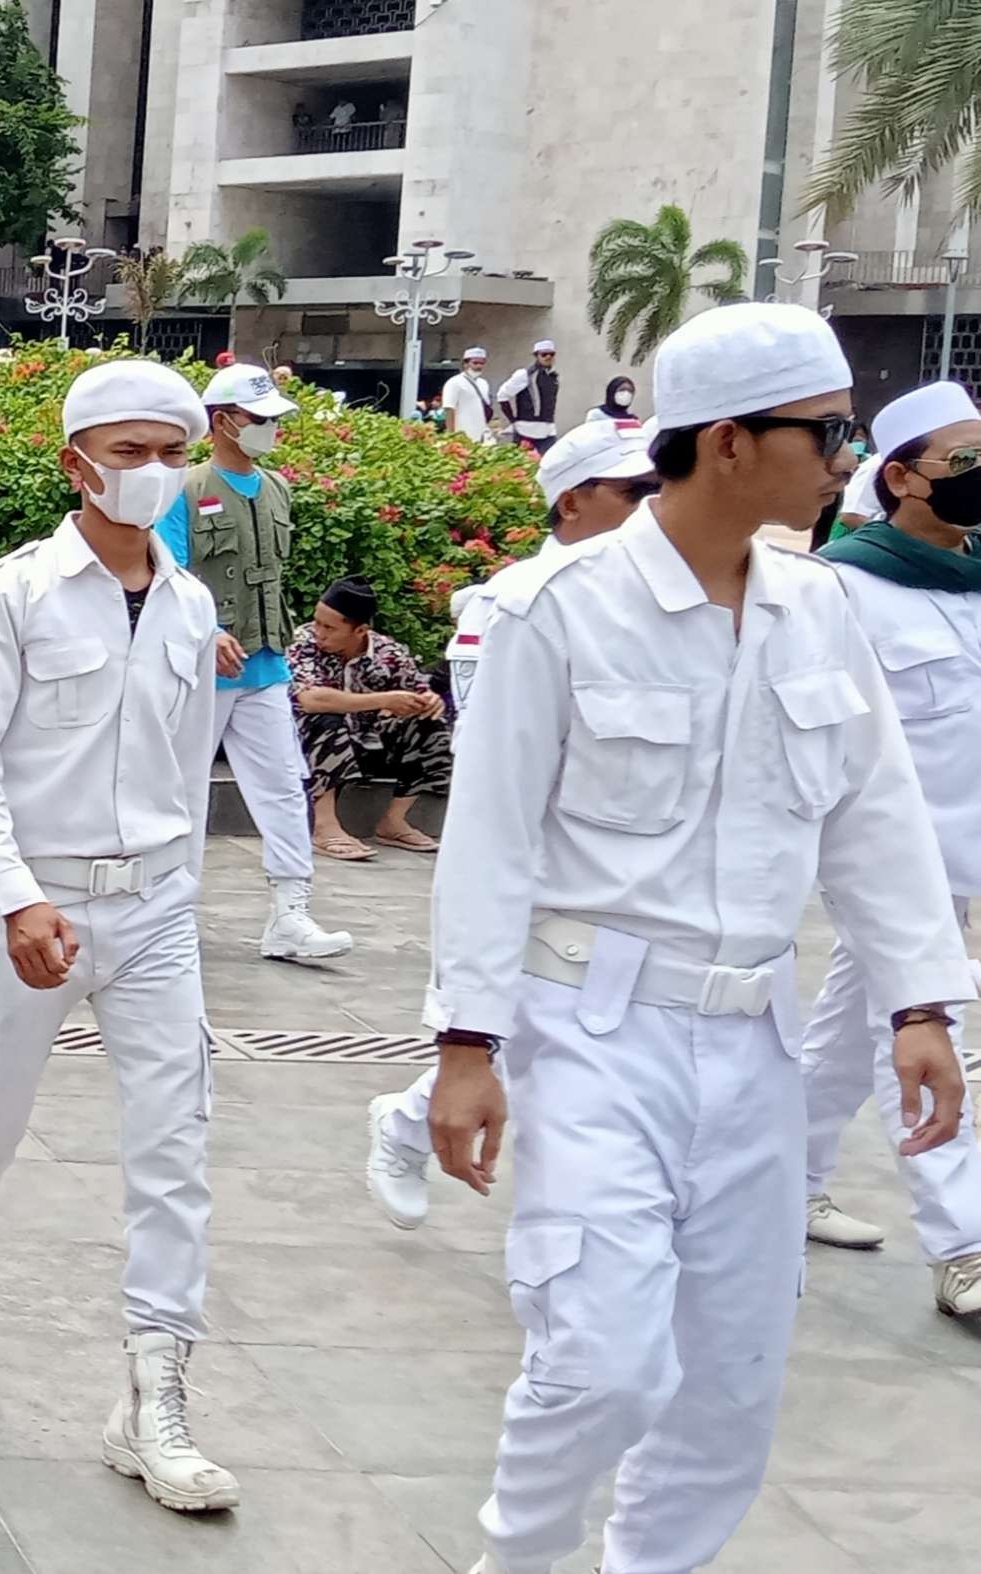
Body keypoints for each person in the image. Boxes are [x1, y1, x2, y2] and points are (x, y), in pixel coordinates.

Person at [428, 302, 968, 1574]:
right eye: (823, 431)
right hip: (591, 1031)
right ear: (727, 441)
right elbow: (489, 841)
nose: (843, 458)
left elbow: (875, 815)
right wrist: (463, 1042)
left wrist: (919, 1006)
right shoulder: (554, 609)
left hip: (755, 1045)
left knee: (729, 1385)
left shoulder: (814, 607)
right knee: (604, 1361)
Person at [0, 357, 233, 1518]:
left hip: (152, 907)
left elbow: (189, 768)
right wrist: (10, 896)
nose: (150, 474)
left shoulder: (188, 604)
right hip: (33, 904)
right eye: (128, 452)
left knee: (173, 1141)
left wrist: (180, 891)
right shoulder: (12, 593)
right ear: (75, 464)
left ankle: (153, 1390)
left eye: (168, 453)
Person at [365, 419, 659, 1230]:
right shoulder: (515, 602)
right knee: (527, 1031)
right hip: (543, 862)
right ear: (570, 500)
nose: (655, 505)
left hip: (628, 876)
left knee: (553, 1041)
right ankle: (406, 1127)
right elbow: (489, 752)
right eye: (634, 491)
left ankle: (401, 1125)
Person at [795, 380, 981, 1318]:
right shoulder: (842, 586)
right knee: (916, 1031)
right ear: (902, 479)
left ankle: (783, 1179)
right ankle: (966, 1246)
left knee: (847, 1029)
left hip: (965, 861)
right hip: (892, 864)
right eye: (964, 463)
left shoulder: (980, 575)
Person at [162, 363, 353, 961]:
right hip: (206, 668)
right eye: (259, 418)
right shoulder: (185, 490)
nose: (270, 428)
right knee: (186, 791)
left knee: (283, 786)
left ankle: (291, 914)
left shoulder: (277, 489)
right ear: (222, 422)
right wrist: (209, 632)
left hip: (266, 664)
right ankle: (171, 914)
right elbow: (170, 574)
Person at [289, 576, 451, 857]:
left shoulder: (387, 653)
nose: (319, 632)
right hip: (308, 745)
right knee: (325, 716)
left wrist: (428, 702)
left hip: (366, 743)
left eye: (329, 627)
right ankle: (324, 827)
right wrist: (383, 700)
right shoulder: (304, 642)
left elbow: (420, 690)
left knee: (430, 724)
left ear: (360, 629)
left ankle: (394, 821)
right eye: (317, 622)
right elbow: (310, 698)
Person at [494, 339, 560, 454]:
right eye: (544, 354)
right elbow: (502, 395)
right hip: (526, 430)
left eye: (551, 354)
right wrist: (513, 420)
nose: (548, 357)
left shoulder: (553, 376)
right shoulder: (525, 375)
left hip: (548, 430)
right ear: (536, 356)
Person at [442, 347, 498, 441]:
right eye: (475, 363)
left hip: (483, 436)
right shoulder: (454, 382)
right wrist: (451, 436)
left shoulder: (484, 383)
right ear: (465, 364)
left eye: (482, 363)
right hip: (462, 435)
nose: (479, 366)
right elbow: (449, 409)